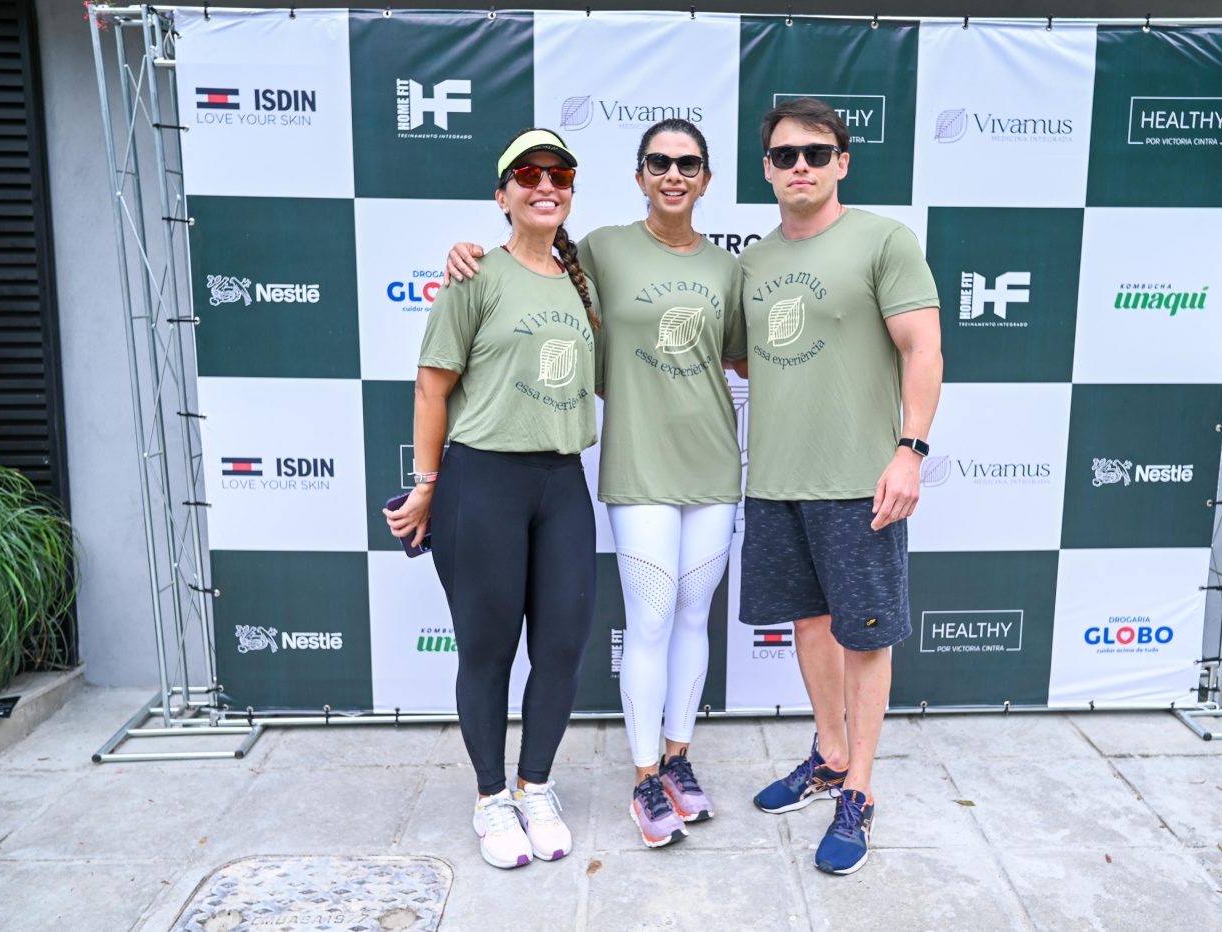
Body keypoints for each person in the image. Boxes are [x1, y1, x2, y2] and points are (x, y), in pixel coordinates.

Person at [445, 119, 746, 849]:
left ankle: (679, 761)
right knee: (647, 618)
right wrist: (464, 254)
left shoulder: (730, 269)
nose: (673, 174)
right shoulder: (602, 249)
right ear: (639, 176)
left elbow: (746, 363)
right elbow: (528, 264)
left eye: (689, 164)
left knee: (692, 616)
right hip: (635, 468)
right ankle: (644, 776)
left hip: (713, 467)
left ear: (706, 179)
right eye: (658, 163)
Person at [386, 127, 601, 870]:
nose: (547, 185)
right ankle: (489, 798)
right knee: (487, 649)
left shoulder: (582, 281)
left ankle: (534, 784)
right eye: (529, 175)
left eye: (560, 173)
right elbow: (431, 386)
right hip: (485, 482)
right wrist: (427, 487)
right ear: (503, 195)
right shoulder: (474, 274)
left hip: (562, 480)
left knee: (565, 646)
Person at [738, 97, 942, 876]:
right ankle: (827, 754)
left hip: (861, 480)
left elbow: (924, 348)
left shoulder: (884, 240)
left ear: (842, 162)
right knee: (812, 624)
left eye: (816, 154)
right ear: (767, 167)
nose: (800, 166)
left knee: (865, 635)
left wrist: (910, 450)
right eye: (786, 155)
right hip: (779, 479)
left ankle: (859, 788)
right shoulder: (753, 261)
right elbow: (739, 357)